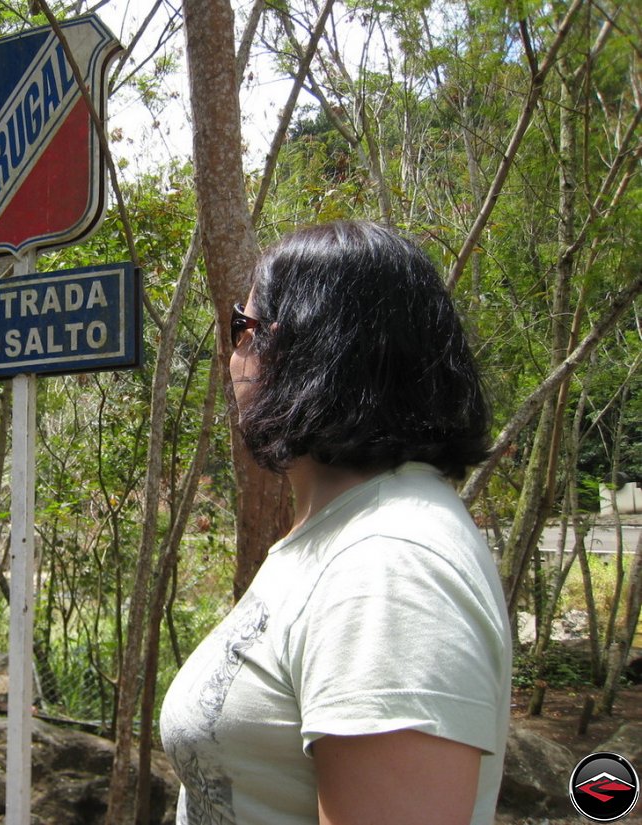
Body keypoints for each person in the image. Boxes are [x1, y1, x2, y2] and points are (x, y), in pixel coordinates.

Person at [159, 220, 511, 825]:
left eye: (242, 329)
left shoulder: (390, 565)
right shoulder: (340, 538)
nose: (230, 353)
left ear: (309, 346)